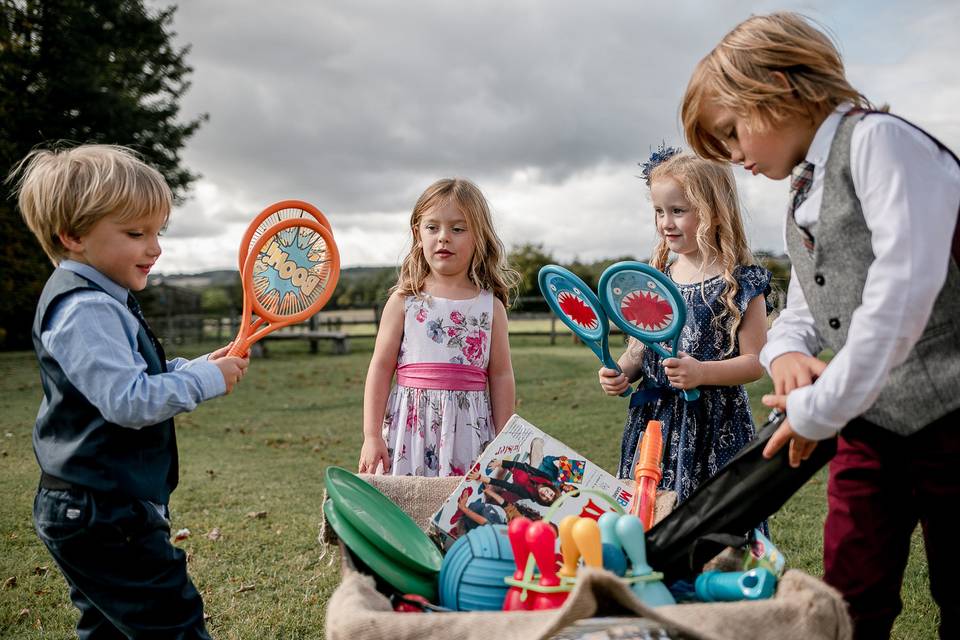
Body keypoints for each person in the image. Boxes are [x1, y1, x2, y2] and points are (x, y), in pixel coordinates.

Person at [680, 11, 960, 638]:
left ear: (779, 85)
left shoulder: (881, 143)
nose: (733, 156)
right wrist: (783, 356)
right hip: (868, 426)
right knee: (851, 590)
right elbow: (804, 308)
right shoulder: (802, 193)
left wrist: (817, 409)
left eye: (731, 132)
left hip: (951, 416)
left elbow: (903, 291)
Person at [8, 144, 249, 639]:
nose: (154, 247)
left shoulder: (99, 299)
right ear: (72, 235)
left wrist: (203, 365)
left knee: (109, 631)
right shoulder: (86, 308)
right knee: (172, 624)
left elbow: (140, 372)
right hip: (102, 512)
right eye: (136, 234)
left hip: (94, 507)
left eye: (157, 232)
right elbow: (129, 400)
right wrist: (206, 382)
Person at [598, 150, 771, 504]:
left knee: (710, 517)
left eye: (678, 211)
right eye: (659, 212)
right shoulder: (657, 279)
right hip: (654, 424)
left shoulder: (741, 282)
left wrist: (701, 372)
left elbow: (755, 362)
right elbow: (641, 349)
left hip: (714, 425)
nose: (666, 223)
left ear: (714, 212)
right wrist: (623, 372)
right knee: (651, 515)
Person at [358, 178, 519, 477]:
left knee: (460, 512)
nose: (444, 237)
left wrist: (504, 439)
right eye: (433, 227)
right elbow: (380, 368)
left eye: (458, 229)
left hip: (469, 431)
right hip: (410, 430)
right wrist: (372, 436)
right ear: (418, 234)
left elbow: (500, 374)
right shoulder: (404, 301)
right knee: (408, 507)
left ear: (478, 238)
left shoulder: (490, 306)